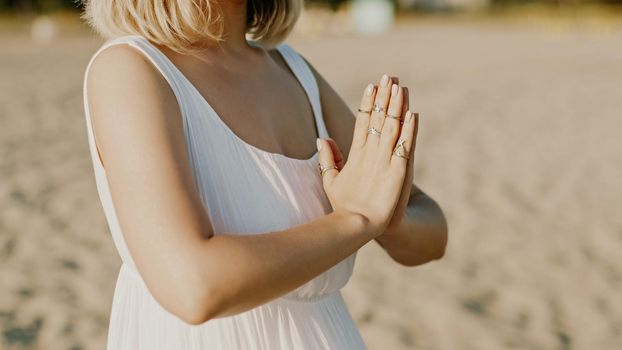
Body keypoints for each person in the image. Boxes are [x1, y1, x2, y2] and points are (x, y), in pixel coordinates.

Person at [81, 0, 448, 348]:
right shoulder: (131, 68)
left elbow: (432, 234)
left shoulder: (295, 71)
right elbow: (193, 287)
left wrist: (388, 216)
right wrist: (358, 220)